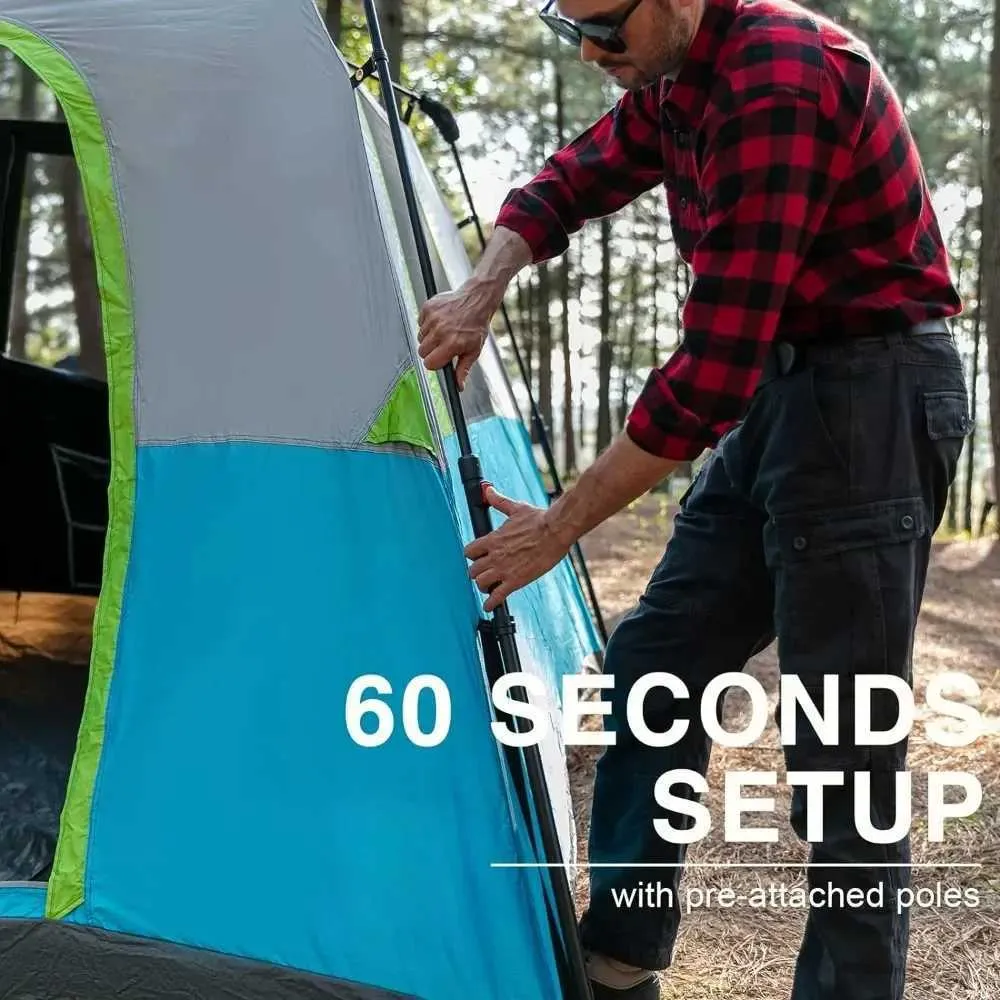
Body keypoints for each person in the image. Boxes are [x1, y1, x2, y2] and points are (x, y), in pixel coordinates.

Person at [416, 0, 970, 997]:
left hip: (870, 397)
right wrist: (482, 288)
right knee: (654, 663)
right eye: (564, 28)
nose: (588, 54)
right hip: (785, 388)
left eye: (602, 28)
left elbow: (710, 374)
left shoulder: (776, 82)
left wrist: (559, 525)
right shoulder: (669, 75)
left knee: (839, 749)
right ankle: (621, 960)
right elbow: (565, 181)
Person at [981, 459, 996, 536]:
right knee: (984, 514)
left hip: (993, 496)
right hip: (990, 496)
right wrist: (986, 490)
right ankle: (981, 531)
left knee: (985, 513)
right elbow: (983, 481)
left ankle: (981, 531)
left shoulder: (989, 469)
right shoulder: (989, 469)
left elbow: (983, 482)